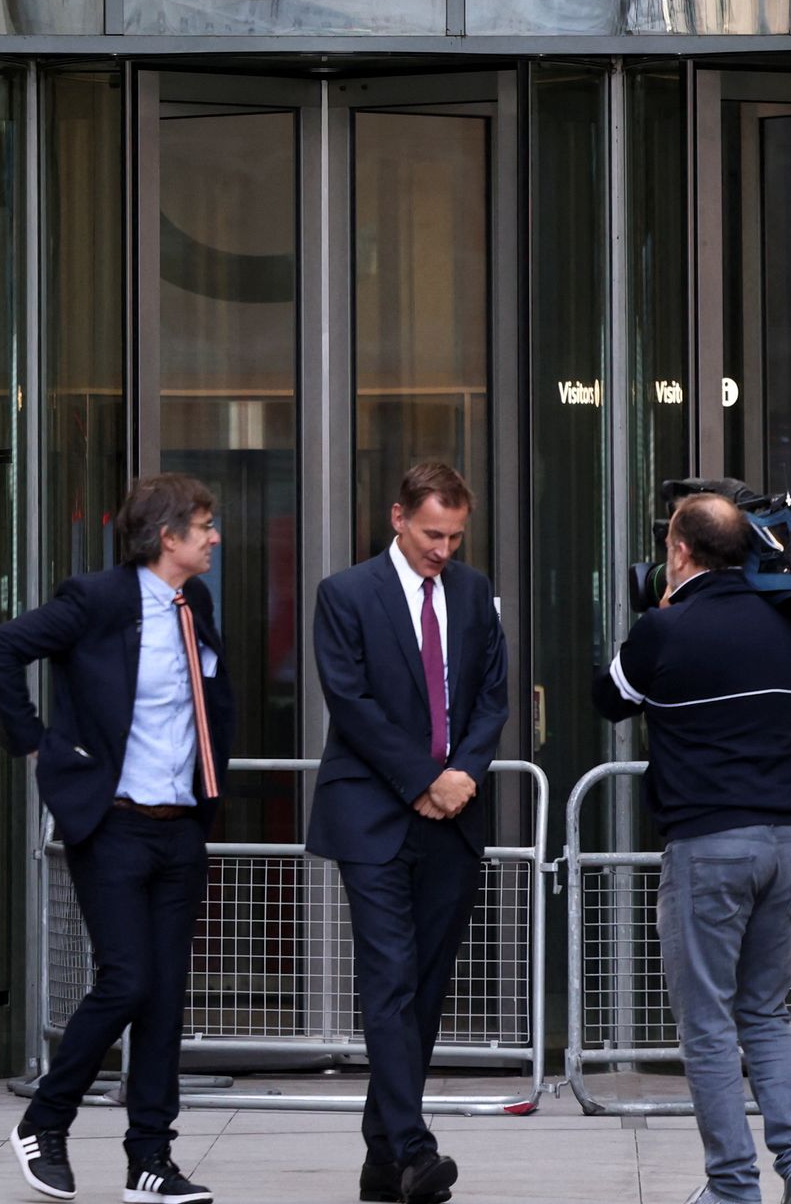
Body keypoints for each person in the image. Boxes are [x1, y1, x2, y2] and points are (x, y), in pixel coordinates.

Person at [0, 473, 234, 1204]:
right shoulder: (96, 600)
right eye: (204, 526)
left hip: (180, 826)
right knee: (127, 979)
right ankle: (44, 1120)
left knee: (163, 998)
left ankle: (150, 1161)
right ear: (168, 536)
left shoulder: (196, 603)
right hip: (114, 824)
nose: (215, 537)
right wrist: (38, 745)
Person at [591, 491, 791, 1204]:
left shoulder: (665, 631)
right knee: (766, 1014)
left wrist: (658, 616)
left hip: (709, 845)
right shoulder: (787, 629)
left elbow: (608, 697)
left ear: (679, 550)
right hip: (786, 842)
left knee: (709, 1026)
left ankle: (732, 1185)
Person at [311, 460, 509, 1204]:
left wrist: (461, 777)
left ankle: (381, 1159)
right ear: (398, 518)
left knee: (424, 986)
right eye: (432, 534)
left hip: (454, 818)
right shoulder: (346, 594)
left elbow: (493, 695)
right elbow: (351, 703)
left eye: (455, 536)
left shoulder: (472, 592)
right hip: (372, 814)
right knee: (390, 977)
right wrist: (425, 779)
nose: (443, 550)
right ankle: (414, 1147)